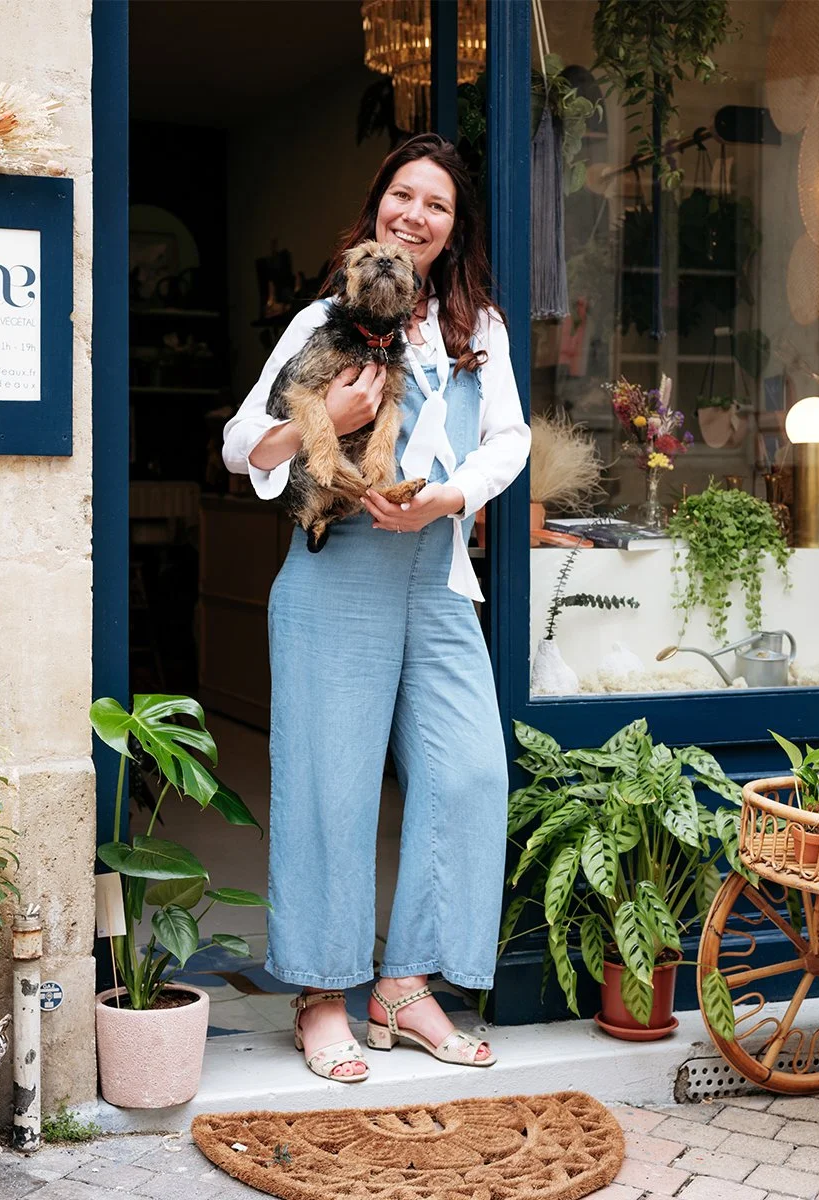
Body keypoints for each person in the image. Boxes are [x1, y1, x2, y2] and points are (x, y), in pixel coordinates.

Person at [222, 133, 530, 1082]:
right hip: (336, 565)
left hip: (434, 573)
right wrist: (330, 425)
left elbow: (510, 438)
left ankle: (405, 986)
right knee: (330, 782)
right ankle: (322, 993)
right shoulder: (326, 314)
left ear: (453, 225)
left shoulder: (479, 327)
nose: (416, 214)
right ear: (378, 208)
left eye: (435, 204)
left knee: (471, 773)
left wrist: (452, 497)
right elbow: (240, 444)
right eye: (403, 196)